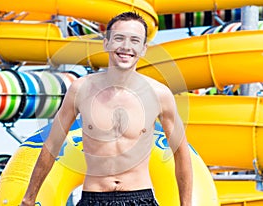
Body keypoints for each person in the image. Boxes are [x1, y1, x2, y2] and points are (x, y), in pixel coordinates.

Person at [21, 11, 192, 206]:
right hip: (94, 197)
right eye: (119, 38)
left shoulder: (159, 94)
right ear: (106, 43)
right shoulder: (81, 89)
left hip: (139, 198)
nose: (126, 47)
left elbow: (181, 152)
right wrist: (29, 198)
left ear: (143, 48)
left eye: (134, 40)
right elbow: (52, 145)